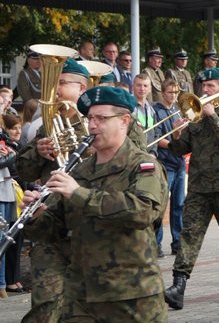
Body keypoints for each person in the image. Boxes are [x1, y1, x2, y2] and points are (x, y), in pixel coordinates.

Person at [22, 86, 168, 321]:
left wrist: (79, 194)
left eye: (101, 118)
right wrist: (37, 216)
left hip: (130, 294)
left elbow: (141, 212)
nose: (92, 125)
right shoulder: (79, 169)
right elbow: (56, 227)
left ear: (124, 121)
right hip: (81, 295)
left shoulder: (142, 166)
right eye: (90, 118)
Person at [163, 67, 219, 309]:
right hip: (199, 185)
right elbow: (181, 150)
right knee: (189, 234)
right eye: (203, 86)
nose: (205, 90)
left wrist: (212, 115)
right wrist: (178, 134)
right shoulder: (196, 114)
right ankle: (178, 286)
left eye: (210, 86)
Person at [16, 58, 90, 322]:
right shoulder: (49, 123)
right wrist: (38, 152)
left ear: (82, 88)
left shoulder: (100, 121)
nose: (55, 89)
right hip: (50, 225)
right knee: (45, 307)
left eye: (62, 83)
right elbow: (23, 170)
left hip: (89, 226)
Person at [152, 79, 187, 258]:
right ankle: (156, 244)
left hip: (179, 163)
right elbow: (158, 139)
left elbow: (178, 138)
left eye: (175, 93)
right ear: (163, 92)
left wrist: (180, 134)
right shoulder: (157, 111)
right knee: (162, 205)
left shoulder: (177, 111)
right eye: (170, 92)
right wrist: (175, 143)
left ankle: (177, 242)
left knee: (179, 205)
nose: (173, 96)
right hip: (166, 164)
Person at [2, 114, 24, 296]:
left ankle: (9, 280)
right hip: (5, 190)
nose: (17, 132)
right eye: (13, 129)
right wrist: (11, 156)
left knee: (13, 238)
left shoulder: (11, 144)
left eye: (19, 128)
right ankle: (6, 281)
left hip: (12, 191)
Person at [131, 74, 157, 155]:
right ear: (133, 87)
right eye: (139, 85)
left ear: (149, 89)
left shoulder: (151, 109)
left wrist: (153, 152)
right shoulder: (128, 108)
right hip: (133, 156)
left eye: (145, 86)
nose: (142, 89)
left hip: (149, 155)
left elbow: (156, 134)